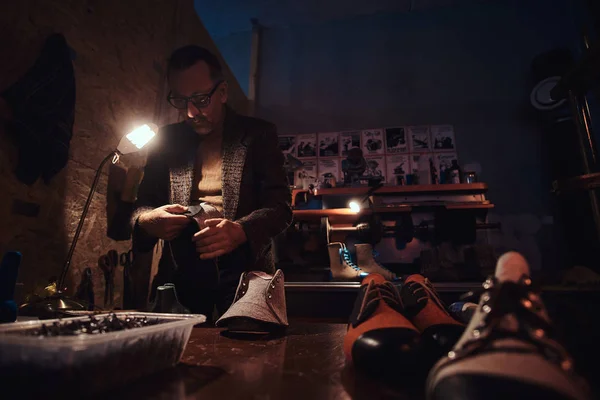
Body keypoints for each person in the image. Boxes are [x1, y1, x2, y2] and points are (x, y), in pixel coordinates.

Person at [131, 45, 292, 318]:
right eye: (181, 101)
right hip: (180, 283)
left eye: (200, 99)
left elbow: (281, 208)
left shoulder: (258, 134)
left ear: (223, 92)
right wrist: (147, 220)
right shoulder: (167, 140)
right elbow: (141, 207)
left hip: (247, 281)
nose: (191, 112)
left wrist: (241, 230)